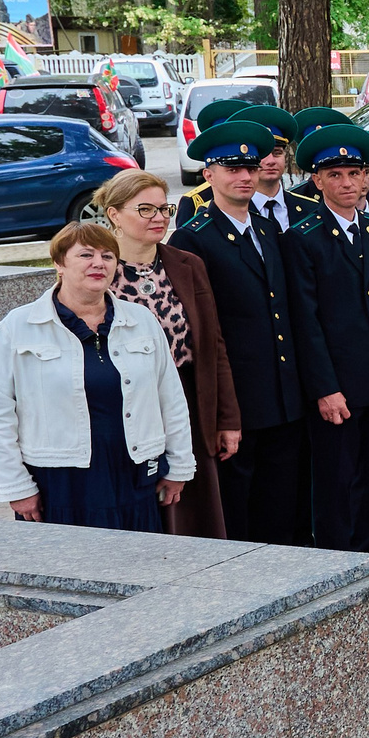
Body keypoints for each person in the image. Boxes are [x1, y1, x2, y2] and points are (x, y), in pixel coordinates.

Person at [0, 223, 195, 531]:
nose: (98, 263)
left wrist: (180, 464)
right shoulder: (18, 327)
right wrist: (15, 486)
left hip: (135, 474)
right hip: (60, 482)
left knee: (141, 556)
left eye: (107, 256)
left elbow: (170, 399)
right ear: (59, 263)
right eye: (85, 255)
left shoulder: (142, 321)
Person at [169, 118, 310, 546]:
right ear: (208, 175)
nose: (245, 176)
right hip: (239, 395)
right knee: (240, 501)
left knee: (283, 497)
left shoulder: (267, 229)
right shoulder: (193, 239)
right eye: (232, 169)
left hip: (283, 392)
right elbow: (204, 330)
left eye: (250, 168)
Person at [282, 126, 369, 556]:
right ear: (317, 180)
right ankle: (336, 563)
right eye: (335, 175)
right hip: (339, 386)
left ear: (367, 177)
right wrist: (325, 388)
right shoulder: (303, 238)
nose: (347, 183)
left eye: (355, 173)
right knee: (336, 482)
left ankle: (368, 559)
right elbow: (306, 323)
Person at [97, 167, 238, 539]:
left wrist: (227, 419)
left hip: (188, 401)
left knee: (194, 511)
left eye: (164, 209)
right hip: (126, 406)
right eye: (145, 209)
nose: (158, 217)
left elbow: (213, 345)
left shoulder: (186, 264)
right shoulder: (99, 270)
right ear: (114, 214)